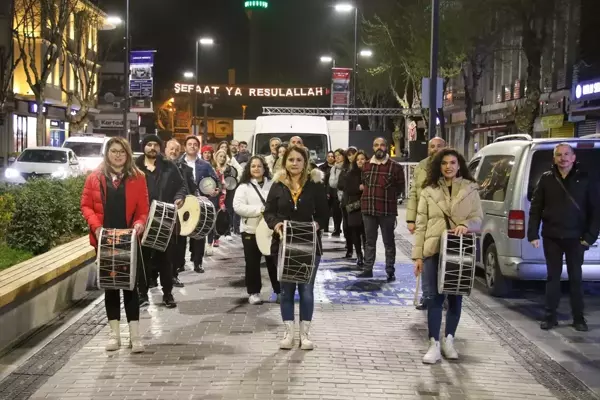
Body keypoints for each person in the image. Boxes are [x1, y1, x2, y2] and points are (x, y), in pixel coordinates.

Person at [412, 148, 482, 364]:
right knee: (433, 296)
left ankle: (448, 339)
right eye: (444, 163)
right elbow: (421, 225)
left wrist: (465, 225)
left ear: (459, 165)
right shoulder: (428, 191)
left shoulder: (471, 189)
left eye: (452, 162)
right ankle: (433, 343)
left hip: (458, 249)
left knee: (455, 296)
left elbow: (478, 219)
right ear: (439, 166)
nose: (448, 167)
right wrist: (418, 257)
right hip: (432, 249)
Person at [81, 137, 149, 353]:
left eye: (122, 151)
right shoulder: (95, 178)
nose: (118, 155)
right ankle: (114, 335)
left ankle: (135, 337)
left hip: (129, 241)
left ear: (128, 154)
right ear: (107, 153)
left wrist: (139, 224)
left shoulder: (138, 178)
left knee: (130, 288)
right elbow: (86, 206)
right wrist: (97, 227)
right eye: (114, 151)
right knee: (111, 289)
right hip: (106, 240)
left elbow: (143, 209)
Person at [528, 143, 599, 332]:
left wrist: (589, 238)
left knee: (576, 279)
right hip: (552, 237)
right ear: (554, 159)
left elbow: (595, 211)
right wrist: (532, 233)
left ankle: (578, 318)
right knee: (553, 278)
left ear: (574, 157)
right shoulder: (546, 179)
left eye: (567, 154)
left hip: (577, 238)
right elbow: (536, 208)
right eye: (559, 155)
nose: (563, 158)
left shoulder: (585, 179)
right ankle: (550, 317)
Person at [264, 145, 328, 350]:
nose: (294, 163)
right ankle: (288, 334)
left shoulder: (315, 184)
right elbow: (268, 212)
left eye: (298, 160)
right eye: (291, 159)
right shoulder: (277, 184)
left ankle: (305, 335)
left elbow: (324, 213)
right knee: (286, 290)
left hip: (309, 245)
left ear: (305, 162)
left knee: (307, 290)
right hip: (283, 244)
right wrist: (276, 224)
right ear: (285, 162)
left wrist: (317, 224)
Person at [135, 134, 187, 308]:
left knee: (165, 259)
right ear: (143, 147)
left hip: (164, 219)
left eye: (155, 145)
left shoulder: (168, 166)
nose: (152, 147)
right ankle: (142, 295)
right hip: (141, 220)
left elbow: (181, 186)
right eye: (148, 144)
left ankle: (167, 294)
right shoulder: (134, 167)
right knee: (142, 260)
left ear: (159, 148)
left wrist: (179, 198)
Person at [233, 156, 280, 305]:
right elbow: (238, 207)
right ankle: (254, 292)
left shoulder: (273, 184)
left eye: (259, 166)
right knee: (252, 263)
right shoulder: (243, 187)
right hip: (250, 231)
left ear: (264, 168)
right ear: (249, 169)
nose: (256, 169)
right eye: (253, 166)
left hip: (270, 231)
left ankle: (278, 291)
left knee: (273, 262)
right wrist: (259, 210)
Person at [406, 137, 446, 310]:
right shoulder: (421, 166)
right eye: (432, 146)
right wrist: (410, 218)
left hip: (443, 221)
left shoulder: (450, 166)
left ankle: (443, 296)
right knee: (424, 257)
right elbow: (414, 192)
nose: (435, 149)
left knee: (444, 261)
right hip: (424, 218)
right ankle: (427, 296)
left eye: (439, 146)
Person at [358, 138, 405, 281]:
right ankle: (367, 269)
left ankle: (390, 270)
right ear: (372, 147)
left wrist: (388, 196)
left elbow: (400, 188)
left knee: (388, 241)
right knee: (369, 241)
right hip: (368, 208)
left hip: (387, 210)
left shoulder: (395, 167)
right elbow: (365, 183)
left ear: (386, 147)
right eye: (376, 145)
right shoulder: (366, 165)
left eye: (382, 145)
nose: (379, 147)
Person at [181, 137, 217, 273]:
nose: (192, 146)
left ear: (198, 147)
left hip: (200, 203)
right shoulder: (177, 163)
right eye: (189, 144)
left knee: (199, 233)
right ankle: (180, 263)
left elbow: (215, 181)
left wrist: (214, 190)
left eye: (195, 144)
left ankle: (198, 262)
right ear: (185, 147)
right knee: (181, 233)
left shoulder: (205, 165)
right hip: (182, 203)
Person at [164, 139, 194, 287]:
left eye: (176, 149)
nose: (174, 152)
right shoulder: (159, 166)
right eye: (171, 149)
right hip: (161, 211)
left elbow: (190, 188)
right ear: (165, 149)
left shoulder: (186, 169)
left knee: (177, 246)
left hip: (180, 212)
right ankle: (153, 278)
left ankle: (174, 275)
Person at [343, 150, 367, 267]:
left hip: (367, 207)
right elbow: (347, 189)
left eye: (362, 159)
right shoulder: (350, 174)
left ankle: (368, 255)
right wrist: (359, 187)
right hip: (354, 206)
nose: (360, 161)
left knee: (367, 233)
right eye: (358, 159)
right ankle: (359, 255)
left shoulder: (369, 172)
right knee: (355, 232)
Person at [205, 149, 228, 252]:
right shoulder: (210, 167)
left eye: (224, 157)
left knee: (216, 220)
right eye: (220, 156)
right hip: (208, 196)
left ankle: (214, 240)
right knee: (209, 220)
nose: (222, 158)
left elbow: (223, 186)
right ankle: (209, 243)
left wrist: (222, 200)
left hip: (218, 197)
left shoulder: (221, 170)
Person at [334, 149, 354, 257]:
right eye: (349, 155)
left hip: (358, 203)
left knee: (356, 227)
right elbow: (340, 184)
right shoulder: (345, 169)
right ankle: (349, 248)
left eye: (352, 155)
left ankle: (360, 252)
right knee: (347, 227)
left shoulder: (360, 169)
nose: (351, 157)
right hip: (346, 202)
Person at [319, 151, 335, 233]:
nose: (330, 158)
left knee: (336, 211)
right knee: (325, 210)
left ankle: (337, 228)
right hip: (325, 191)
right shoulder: (321, 167)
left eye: (332, 156)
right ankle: (325, 227)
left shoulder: (337, 167)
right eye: (329, 156)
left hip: (335, 192)